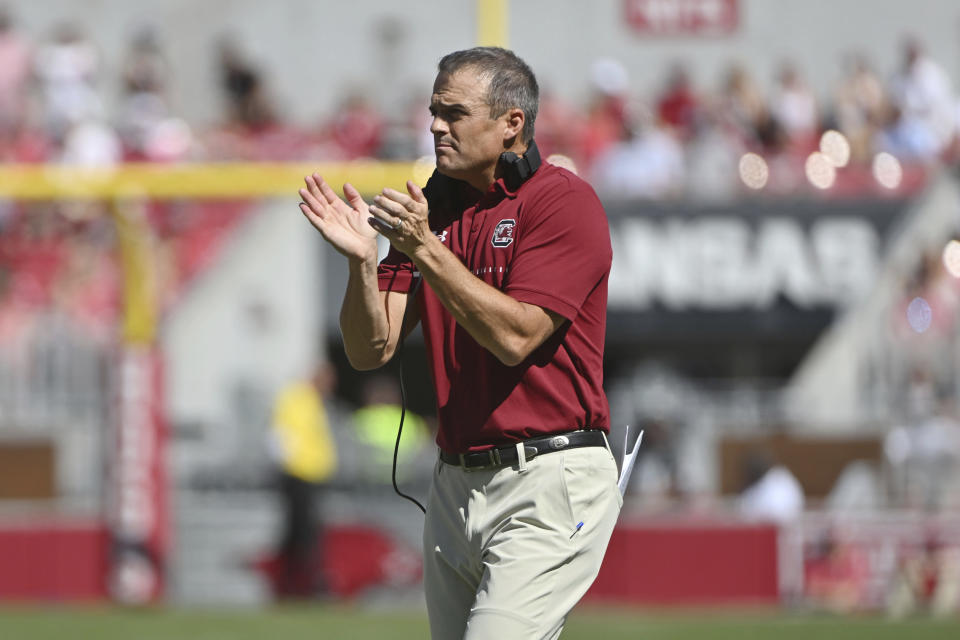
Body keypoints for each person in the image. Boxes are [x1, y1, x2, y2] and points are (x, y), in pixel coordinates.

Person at [298, 47, 620, 639]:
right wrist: (361, 266)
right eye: (433, 111)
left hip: (549, 477)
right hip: (455, 484)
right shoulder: (437, 207)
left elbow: (516, 336)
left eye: (454, 113)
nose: (435, 126)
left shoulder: (563, 202)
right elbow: (372, 349)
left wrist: (424, 248)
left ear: (511, 125)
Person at [267, 362, 338, 598]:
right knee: (301, 533)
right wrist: (288, 465)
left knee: (303, 532)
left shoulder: (312, 400)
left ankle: (295, 583)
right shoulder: (297, 398)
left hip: (311, 475)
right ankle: (299, 584)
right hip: (298, 475)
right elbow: (281, 436)